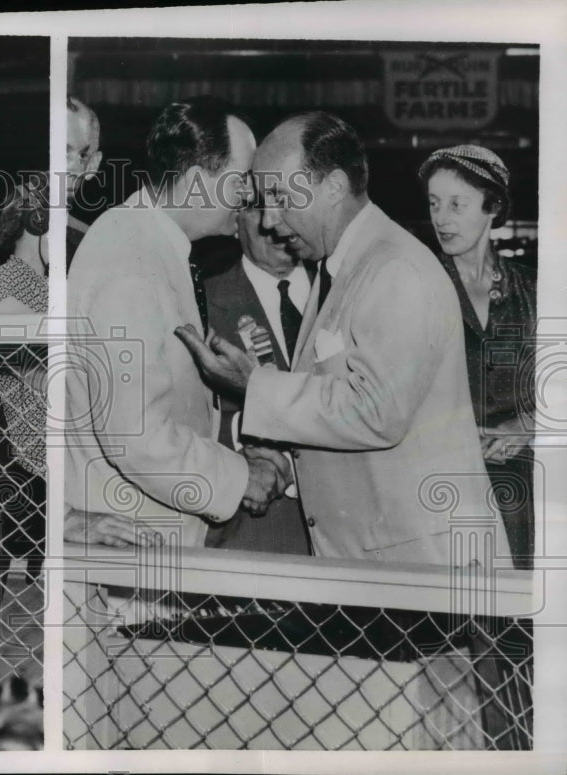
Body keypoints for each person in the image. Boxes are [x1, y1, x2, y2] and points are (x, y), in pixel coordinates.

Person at [176, 111, 510, 566]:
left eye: (280, 197)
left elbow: (376, 412)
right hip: (386, 560)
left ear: (333, 186)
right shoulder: (343, 268)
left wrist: (254, 385)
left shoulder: (395, 269)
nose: (269, 220)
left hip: (420, 565)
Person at [65, 96, 289, 550]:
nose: (249, 197)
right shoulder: (128, 265)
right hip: (132, 546)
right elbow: (137, 437)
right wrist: (240, 478)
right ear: (196, 182)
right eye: (241, 180)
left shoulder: (149, 243)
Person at [418, 145, 536, 571]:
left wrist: (528, 424)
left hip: (519, 491)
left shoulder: (532, 290)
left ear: (493, 207)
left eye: (457, 204)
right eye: (434, 203)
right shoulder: (418, 284)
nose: (441, 218)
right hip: (438, 482)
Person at [203, 205, 314, 554]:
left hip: (353, 540)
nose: (274, 222)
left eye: (284, 203)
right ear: (233, 221)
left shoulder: (346, 289)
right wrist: (244, 443)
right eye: (256, 208)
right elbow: (179, 421)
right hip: (257, 538)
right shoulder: (203, 304)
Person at [0, 174, 49, 585]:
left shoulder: (42, 282)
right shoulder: (5, 282)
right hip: (28, 425)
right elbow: (20, 367)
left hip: (48, 410)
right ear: (36, 223)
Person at [66, 96, 103, 265]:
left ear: (93, 165)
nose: (73, 167)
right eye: (63, 151)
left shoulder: (92, 245)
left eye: (82, 155)